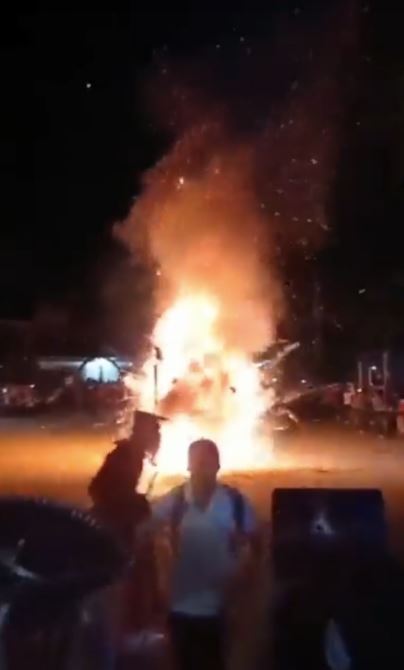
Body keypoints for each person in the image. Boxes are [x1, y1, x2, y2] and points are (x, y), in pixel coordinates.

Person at [147, 438, 258, 670]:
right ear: (188, 467)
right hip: (180, 608)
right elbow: (146, 532)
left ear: (218, 466)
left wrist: (241, 591)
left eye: (208, 463)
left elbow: (254, 547)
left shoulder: (236, 503)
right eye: (198, 463)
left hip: (221, 608)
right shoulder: (174, 501)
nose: (202, 470)